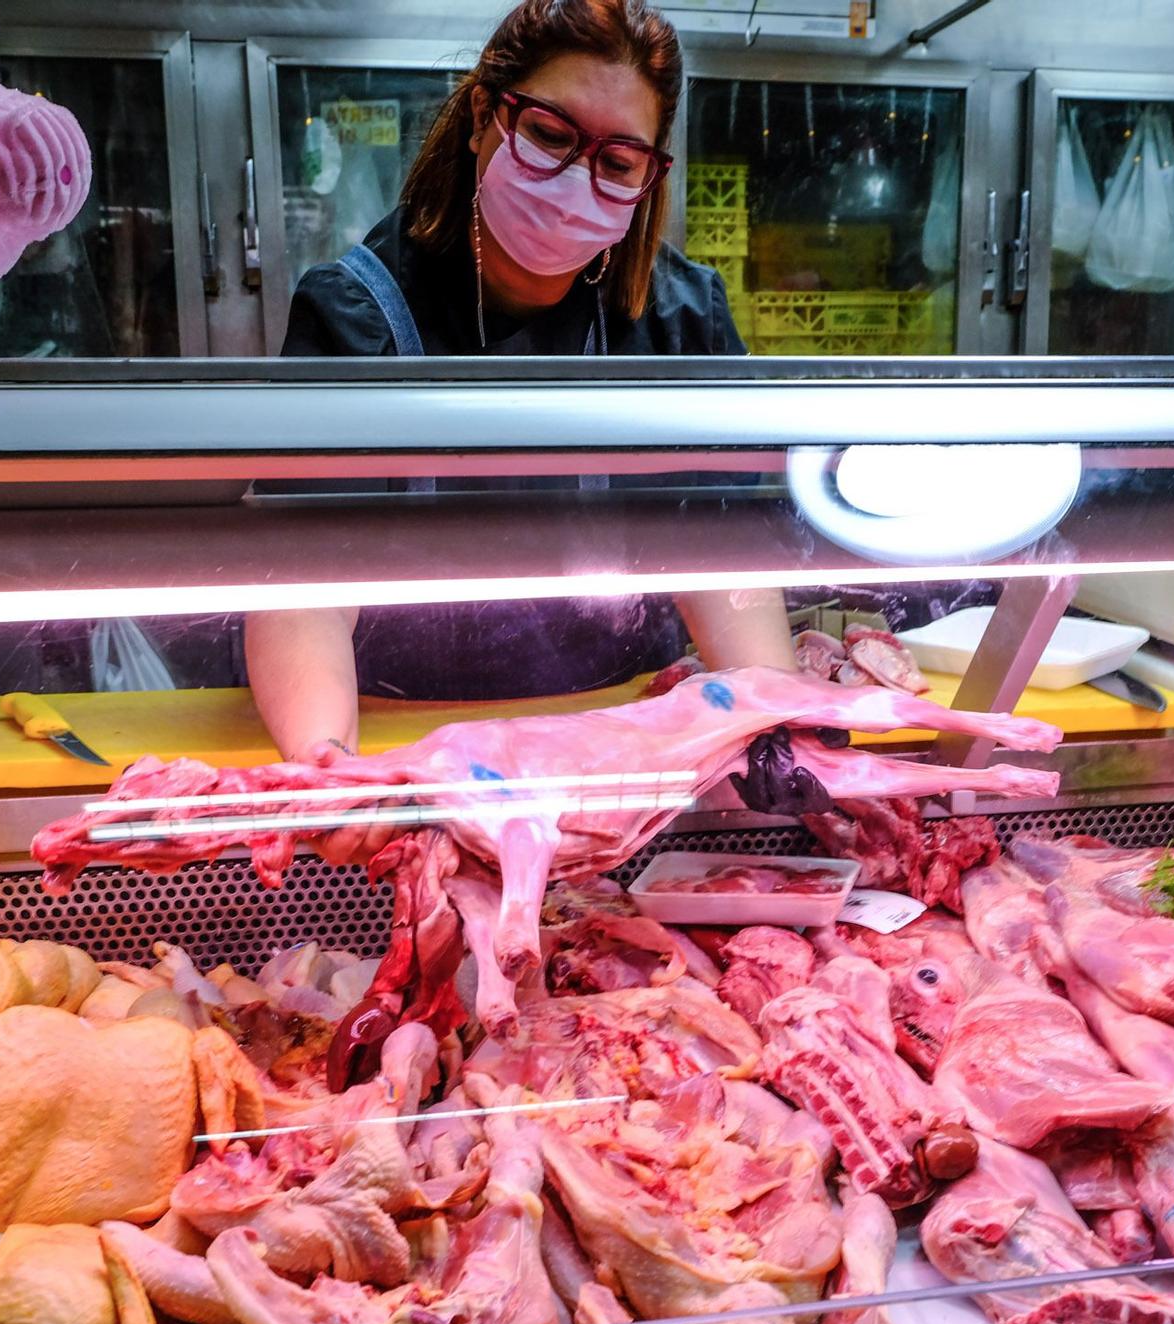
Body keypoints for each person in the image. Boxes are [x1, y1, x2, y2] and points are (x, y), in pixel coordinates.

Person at [248, 0, 793, 776]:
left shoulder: (679, 320)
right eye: (548, 134)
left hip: (617, 756)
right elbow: (303, 584)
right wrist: (329, 764)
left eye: (617, 162)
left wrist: (770, 724)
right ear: (484, 116)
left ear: (649, 176)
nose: (577, 180)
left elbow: (723, 558)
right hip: (408, 748)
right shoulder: (357, 316)